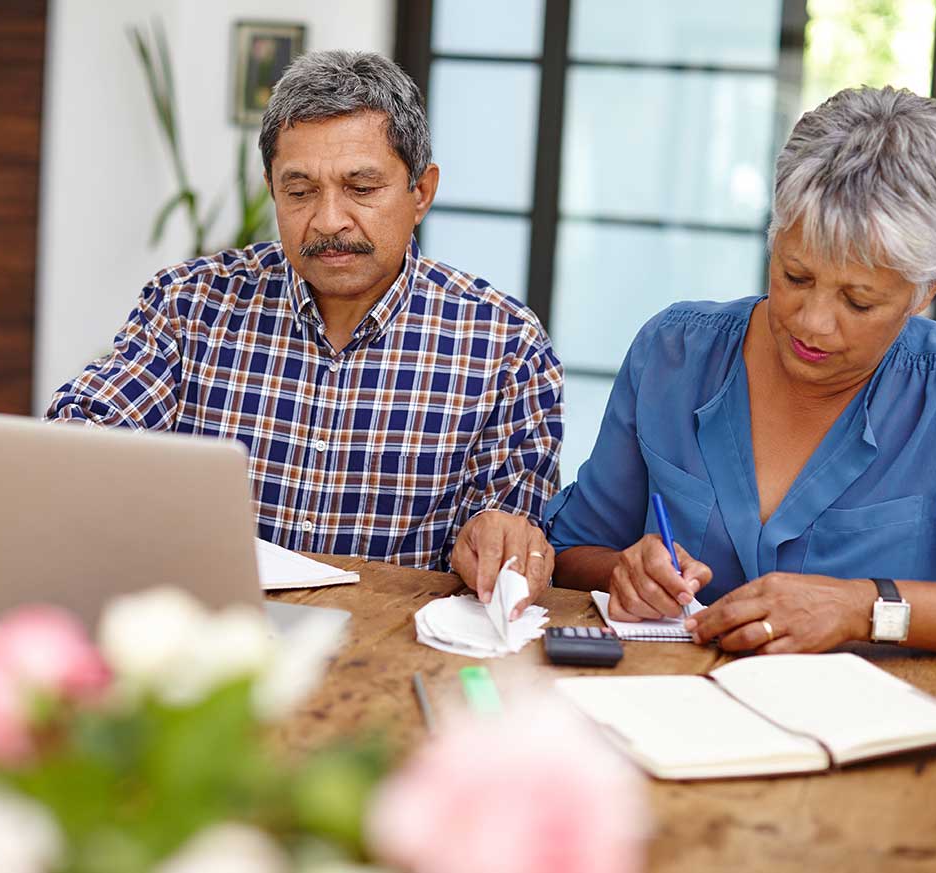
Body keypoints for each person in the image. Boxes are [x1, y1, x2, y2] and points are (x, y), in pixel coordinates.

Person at [47, 51, 562, 613]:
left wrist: (498, 543)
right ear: (271, 188)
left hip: (387, 655)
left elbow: (509, 521)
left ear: (421, 193)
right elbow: (80, 438)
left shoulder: (505, 345)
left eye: (361, 188)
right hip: (210, 641)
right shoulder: (190, 306)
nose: (328, 220)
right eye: (300, 191)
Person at [547, 85, 936, 660]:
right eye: (796, 276)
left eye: (859, 301)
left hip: (867, 739)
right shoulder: (673, 355)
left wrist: (864, 608)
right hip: (666, 717)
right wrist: (627, 572)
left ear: (928, 289)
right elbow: (573, 550)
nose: (813, 324)